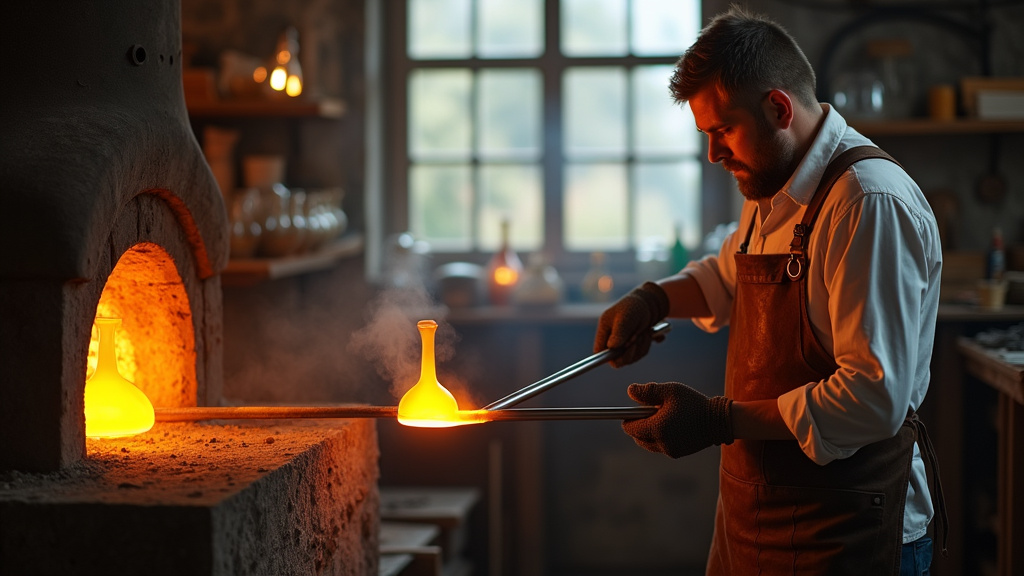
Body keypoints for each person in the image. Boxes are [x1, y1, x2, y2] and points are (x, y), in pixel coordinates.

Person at [593, 7, 946, 576]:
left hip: (848, 530)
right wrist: (655, 299)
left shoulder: (867, 204)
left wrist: (718, 420)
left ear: (779, 109)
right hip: (754, 516)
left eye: (721, 131)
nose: (713, 155)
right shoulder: (773, 183)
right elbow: (731, 277)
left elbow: (872, 399)